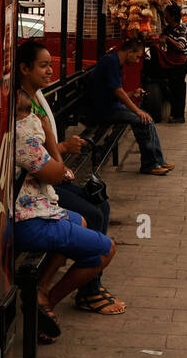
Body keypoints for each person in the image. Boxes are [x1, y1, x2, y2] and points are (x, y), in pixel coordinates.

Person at [17, 40, 124, 315]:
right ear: (24, 69)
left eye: (51, 65)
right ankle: (86, 291)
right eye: (43, 66)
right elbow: (53, 167)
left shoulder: (33, 100)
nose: (50, 71)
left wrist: (57, 150)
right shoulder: (23, 116)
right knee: (96, 217)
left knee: (96, 208)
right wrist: (56, 144)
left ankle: (47, 290)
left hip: (44, 187)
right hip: (34, 200)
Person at [13, 88, 118, 342]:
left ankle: (42, 291)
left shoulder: (21, 128)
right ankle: (46, 302)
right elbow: (56, 173)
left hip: (37, 205)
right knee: (106, 250)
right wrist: (49, 136)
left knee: (82, 219)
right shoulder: (23, 136)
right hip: (28, 218)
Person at [86, 39, 174, 175]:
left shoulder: (116, 62)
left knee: (147, 118)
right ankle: (149, 165)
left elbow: (114, 92)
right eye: (137, 56)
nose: (138, 61)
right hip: (104, 110)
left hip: (111, 105)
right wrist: (137, 110)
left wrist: (133, 93)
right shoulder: (111, 61)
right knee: (143, 120)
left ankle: (158, 160)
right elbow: (118, 91)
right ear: (129, 52)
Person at [159, 5, 187, 122]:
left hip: (180, 64)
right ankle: (174, 113)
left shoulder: (182, 29)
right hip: (170, 62)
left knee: (179, 90)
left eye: (166, 14)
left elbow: (180, 46)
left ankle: (179, 116)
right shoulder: (167, 29)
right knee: (172, 89)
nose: (165, 16)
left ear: (172, 16)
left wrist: (167, 39)